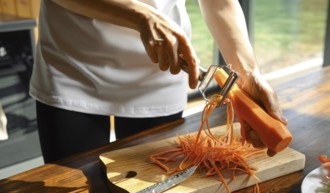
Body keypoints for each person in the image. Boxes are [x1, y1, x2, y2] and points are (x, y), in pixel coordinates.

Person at [30, 0, 286, 163]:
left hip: (163, 69)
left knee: (150, 191)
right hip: (72, 66)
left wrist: (249, 72)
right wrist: (141, 15)